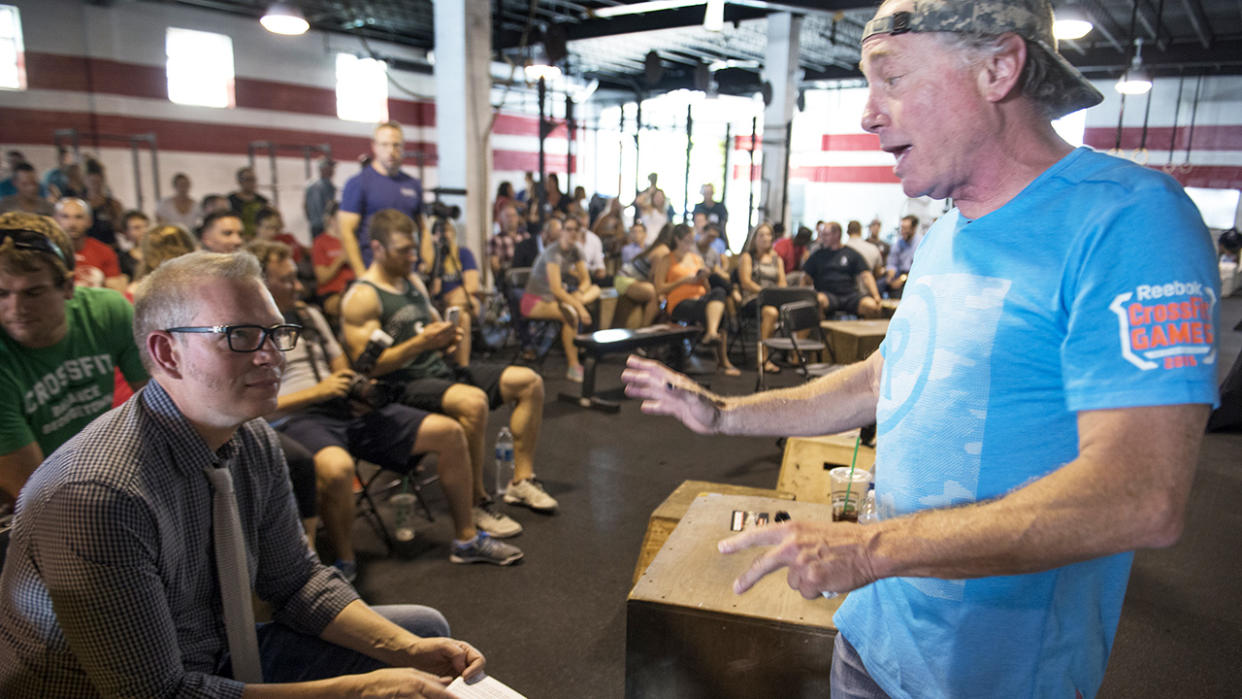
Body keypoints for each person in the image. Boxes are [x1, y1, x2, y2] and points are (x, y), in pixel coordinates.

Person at [622, 1, 1220, 696]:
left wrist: (867, 548)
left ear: (999, 68)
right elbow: (882, 378)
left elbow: (1142, 493)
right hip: (873, 639)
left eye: (892, 78)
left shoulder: (1128, 219)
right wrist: (725, 414)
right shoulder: (947, 231)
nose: (868, 113)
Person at [0, 249, 486, 695]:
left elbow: (295, 582)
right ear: (167, 353)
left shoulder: (250, 436)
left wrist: (405, 652)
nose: (273, 355)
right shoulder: (98, 496)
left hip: (210, 651)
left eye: (277, 334)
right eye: (241, 336)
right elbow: (157, 694)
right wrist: (356, 691)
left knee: (423, 635)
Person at [253, 240, 523, 570]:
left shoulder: (308, 315)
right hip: (295, 419)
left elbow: (341, 368)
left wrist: (357, 390)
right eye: (286, 280)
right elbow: (254, 407)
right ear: (262, 284)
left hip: (340, 406)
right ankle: (343, 564)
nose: (297, 285)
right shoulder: (248, 332)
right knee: (338, 469)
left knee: (450, 432)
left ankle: (466, 539)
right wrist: (318, 394)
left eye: (296, 277)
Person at [341, 209, 557, 540]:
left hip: (439, 371)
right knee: (474, 402)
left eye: (414, 248)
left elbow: (432, 324)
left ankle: (520, 482)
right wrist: (419, 344)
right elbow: (366, 367)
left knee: (529, 382)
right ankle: (475, 502)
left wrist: (447, 335)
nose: (413, 257)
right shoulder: (362, 297)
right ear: (378, 248)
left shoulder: (410, 281)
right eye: (403, 250)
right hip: (400, 384)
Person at [0, 212, 147, 502]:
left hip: (98, 473)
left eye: (33, 293)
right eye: (2, 293)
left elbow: (167, 409)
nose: (15, 309)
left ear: (68, 286)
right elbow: (37, 498)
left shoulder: (107, 313)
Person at [339, 121, 424, 276]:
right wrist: (362, 274)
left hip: (409, 272)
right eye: (384, 145)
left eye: (396, 145)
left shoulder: (413, 184)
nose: (391, 151)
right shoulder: (358, 183)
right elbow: (346, 232)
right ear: (374, 147)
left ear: (403, 147)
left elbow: (422, 228)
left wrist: (426, 262)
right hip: (375, 270)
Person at [653, 223, 739, 376]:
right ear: (677, 240)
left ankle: (711, 333)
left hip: (700, 298)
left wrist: (703, 277)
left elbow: (707, 289)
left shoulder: (696, 259)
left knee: (719, 292)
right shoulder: (668, 259)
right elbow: (659, 288)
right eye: (687, 240)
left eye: (691, 240)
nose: (690, 244)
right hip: (679, 302)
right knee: (717, 311)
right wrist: (683, 280)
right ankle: (722, 359)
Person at [521, 216, 599, 382]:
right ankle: (573, 365)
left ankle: (584, 347)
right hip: (535, 300)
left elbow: (586, 280)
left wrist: (578, 295)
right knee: (570, 314)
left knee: (596, 290)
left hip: (558, 299)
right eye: (568, 229)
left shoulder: (576, 250)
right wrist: (579, 306)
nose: (572, 233)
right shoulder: (553, 252)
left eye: (575, 230)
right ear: (562, 232)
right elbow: (556, 289)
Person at [424, 217, 481, 365]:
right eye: (439, 231)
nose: (444, 235)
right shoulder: (430, 259)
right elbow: (429, 292)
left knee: (459, 310)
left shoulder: (463, 254)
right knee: (463, 317)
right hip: (438, 305)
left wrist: (449, 298)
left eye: (447, 230)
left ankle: (452, 354)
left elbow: (472, 286)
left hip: (462, 301)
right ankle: (462, 366)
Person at [802, 221, 882, 319]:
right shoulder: (817, 255)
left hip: (850, 295)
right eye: (822, 235)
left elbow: (866, 275)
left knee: (871, 306)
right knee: (817, 301)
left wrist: (876, 296)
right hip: (828, 295)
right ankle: (823, 333)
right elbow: (806, 278)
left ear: (837, 235)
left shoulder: (851, 253)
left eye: (826, 235)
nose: (822, 238)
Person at [737, 222, 787, 374]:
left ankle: (794, 356)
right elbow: (745, 282)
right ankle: (763, 358)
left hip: (773, 298)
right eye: (762, 235)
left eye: (768, 234)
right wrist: (765, 293)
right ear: (755, 238)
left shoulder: (776, 259)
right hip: (753, 298)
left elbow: (782, 282)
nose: (766, 238)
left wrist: (776, 294)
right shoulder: (747, 257)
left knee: (795, 309)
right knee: (770, 312)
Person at [54, 197, 126, 292]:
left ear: (89, 221)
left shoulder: (104, 252)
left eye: (78, 217)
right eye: (65, 217)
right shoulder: (47, 252)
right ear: (55, 220)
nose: (72, 223)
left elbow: (116, 292)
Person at [311, 200, 354, 320]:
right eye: (341, 219)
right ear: (331, 220)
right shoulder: (321, 242)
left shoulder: (353, 241)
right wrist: (340, 260)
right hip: (331, 292)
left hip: (354, 287)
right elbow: (322, 278)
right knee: (347, 304)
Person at [488, 200, 528, 281]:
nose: (511, 219)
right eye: (507, 216)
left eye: (513, 215)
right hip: (509, 280)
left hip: (528, 277)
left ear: (518, 218)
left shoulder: (526, 236)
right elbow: (494, 265)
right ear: (501, 219)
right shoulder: (496, 239)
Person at [884, 214, 921, 297]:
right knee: (880, 285)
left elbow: (919, 269)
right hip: (898, 274)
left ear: (914, 228)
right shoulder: (898, 243)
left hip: (913, 278)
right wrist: (890, 273)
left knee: (900, 292)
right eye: (902, 228)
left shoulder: (920, 244)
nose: (902, 231)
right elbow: (892, 262)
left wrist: (903, 278)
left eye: (905, 228)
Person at [228, 165, 269, 240]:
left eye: (253, 180)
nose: (251, 183)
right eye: (248, 180)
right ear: (239, 181)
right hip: (237, 237)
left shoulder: (262, 201)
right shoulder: (230, 200)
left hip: (259, 238)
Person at [303, 157, 336, 239]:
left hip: (316, 224)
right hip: (323, 226)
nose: (333, 170)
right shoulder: (322, 186)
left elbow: (305, 206)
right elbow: (329, 206)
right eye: (330, 167)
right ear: (323, 169)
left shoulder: (311, 184)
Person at [691, 183, 729, 249]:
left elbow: (723, 224)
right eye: (706, 193)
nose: (707, 195)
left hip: (718, 237)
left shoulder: (720, 208)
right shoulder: (698, 207)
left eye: (709, 192)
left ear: (713, 193)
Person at [116, 209, 149, 279]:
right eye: (137, 228)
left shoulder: (161, 252)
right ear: (125, 232)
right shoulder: (122, 258)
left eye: (146, 226)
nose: (144, 231)